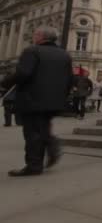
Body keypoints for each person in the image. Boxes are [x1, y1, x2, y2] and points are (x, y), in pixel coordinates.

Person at [1, 26, 72, 176]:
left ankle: (34, 165)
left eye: (35, 34)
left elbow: (23, 73)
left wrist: (5, 82)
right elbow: (69, 80)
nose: (34, 36)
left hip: (32, 99)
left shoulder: (32, 51)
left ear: (41, 37)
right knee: (42, 128)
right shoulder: (64, 54)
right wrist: (62, 97)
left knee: (32, 133)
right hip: (54, 100)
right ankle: (50, 143)